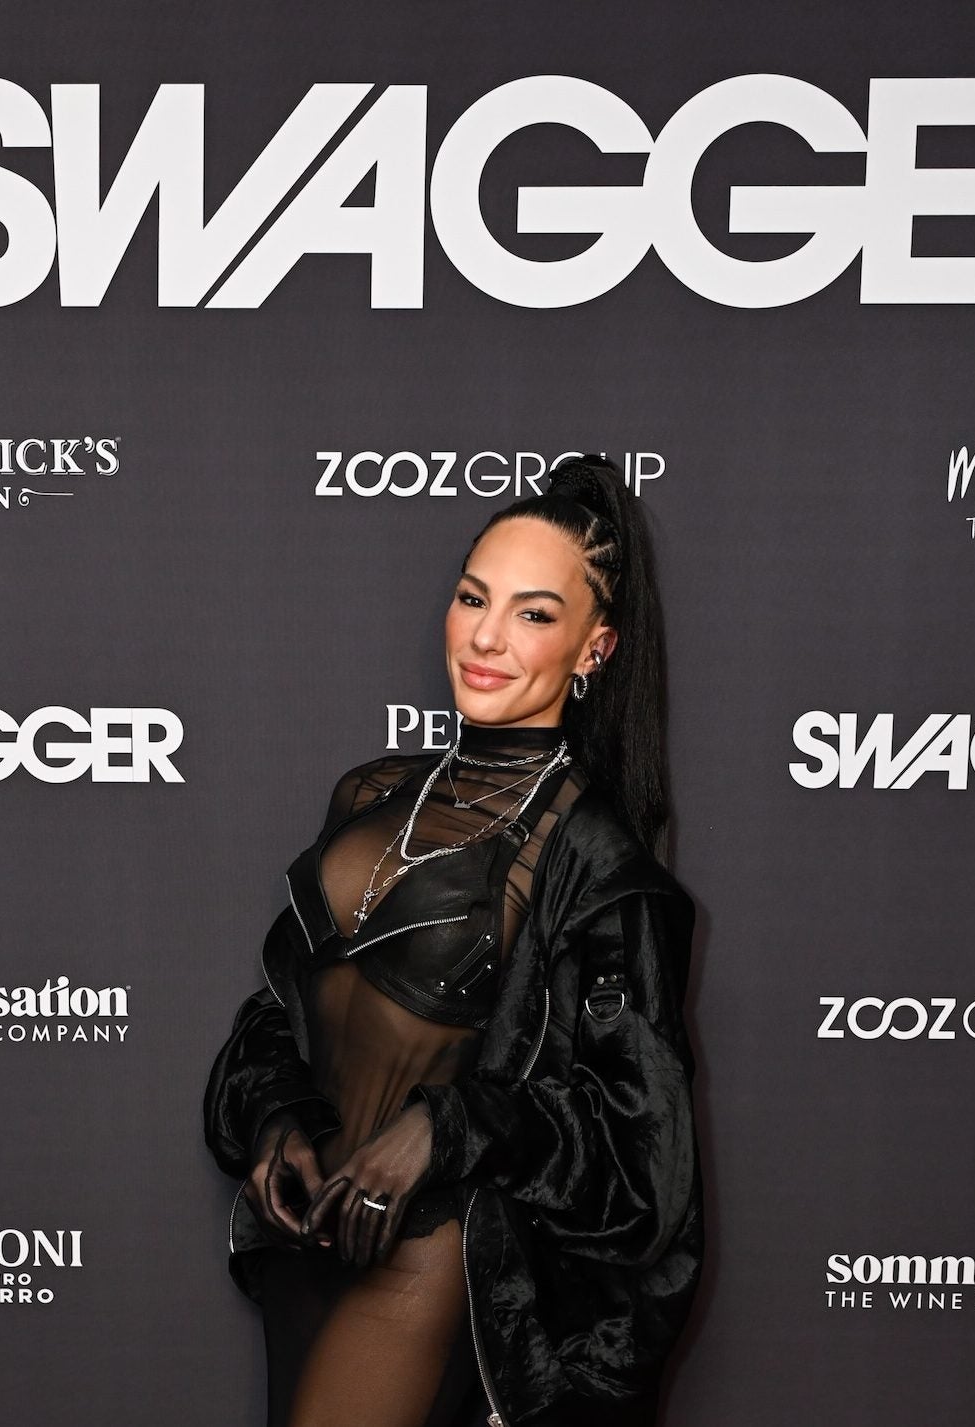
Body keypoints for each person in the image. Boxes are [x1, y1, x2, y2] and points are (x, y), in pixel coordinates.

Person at [204, 454, 702, 1427]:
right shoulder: (368, 793)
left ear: (594, 648)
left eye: (533, 613)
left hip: (430, 1258)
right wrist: (276, 1120)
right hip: (305, 1243)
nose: (485, 636)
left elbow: (644, 1155)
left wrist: (444, 1126)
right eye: (473, 597)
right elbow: (278, 1012)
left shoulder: (590, 858)